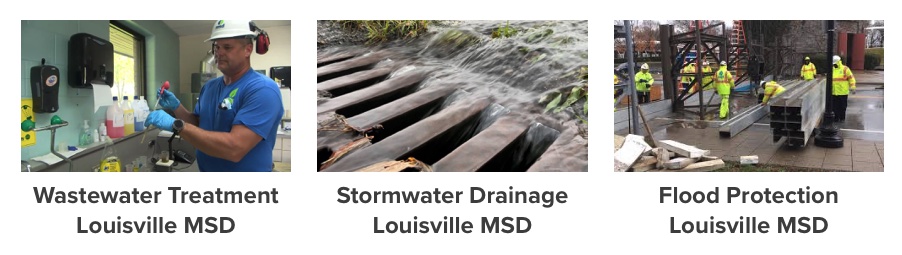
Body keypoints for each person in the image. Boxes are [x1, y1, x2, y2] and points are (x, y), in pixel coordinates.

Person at [144, 20, 284, 172]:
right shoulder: (209, 87)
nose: (219, 52)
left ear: (248, 50)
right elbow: (198, 124)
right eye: (216, 47)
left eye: (227, 47)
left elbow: (234, 148)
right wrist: (176, 106)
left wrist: (176, 125)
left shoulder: (262, 89)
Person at [831, 55, 856, 122]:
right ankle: (836, 118)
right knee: (834, 107)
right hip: (834, 92)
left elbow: (851, 78)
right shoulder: (832, 70)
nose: (834, 65)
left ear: (839, 62)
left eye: (835, 63)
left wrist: (853, 87)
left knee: (842, 106)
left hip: (843, 92)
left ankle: (842, 118)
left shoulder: (845, 69)